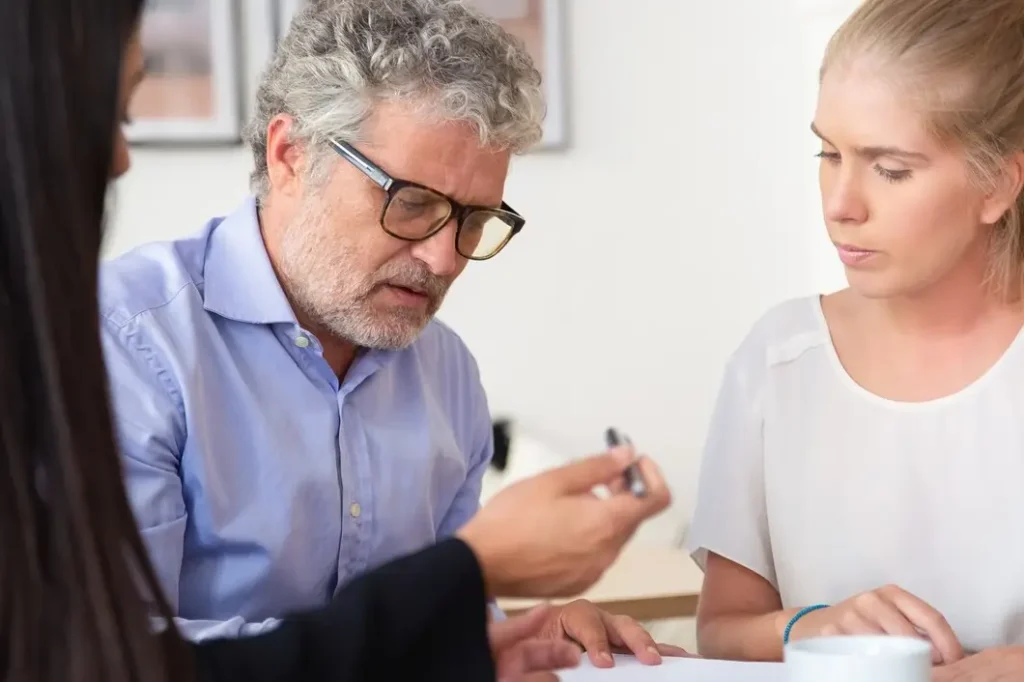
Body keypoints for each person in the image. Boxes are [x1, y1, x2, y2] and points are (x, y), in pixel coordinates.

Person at [1, 0, 679, 680]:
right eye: (412, 204)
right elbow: (119, 657)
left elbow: (442, 622)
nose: (446, 260)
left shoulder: (445, 375)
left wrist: (521, 632)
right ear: (291, 155)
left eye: (475, 220)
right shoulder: (122, 346)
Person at [685, 0, 1024, 679]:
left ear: (999, 185)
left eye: (889, 169)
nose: (840, 203)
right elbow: (720, 633)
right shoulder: (778, 361)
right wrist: (813, 627)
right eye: (827, 152)